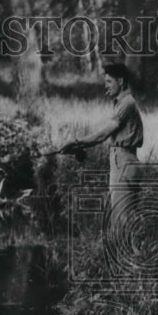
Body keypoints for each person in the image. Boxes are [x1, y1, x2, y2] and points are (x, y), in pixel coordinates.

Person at [60, 62, 144, 231]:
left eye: (109, 81)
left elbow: (102, 135)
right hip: (121, 160)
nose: (105, 86)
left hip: (124, 161)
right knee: (124, 219)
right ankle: (134, 254)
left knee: (123, 220)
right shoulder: (121, 103)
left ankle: (132, 256)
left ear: (120, 81)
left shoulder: (127, 103)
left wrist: (76, 142)